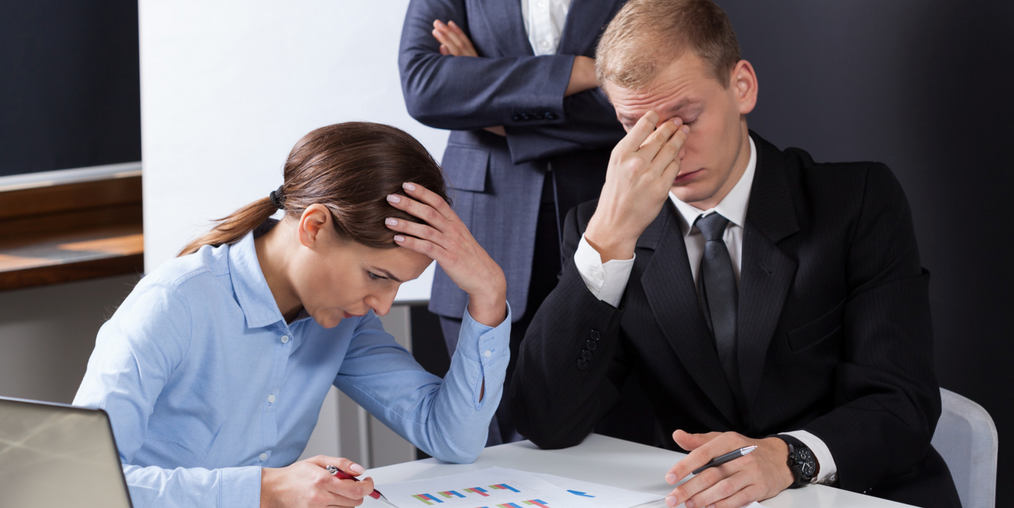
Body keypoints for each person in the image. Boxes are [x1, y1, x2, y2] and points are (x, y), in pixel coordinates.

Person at [509, 1, 961, 507]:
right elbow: (546, 421)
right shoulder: (601, 230)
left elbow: (902, 403)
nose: (668, 149)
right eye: (637, 127)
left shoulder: (857, 202)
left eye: (685, 118)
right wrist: (608, 241)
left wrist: (789, 457)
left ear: (741, 86)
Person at [73, 122, 511, 508]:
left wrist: (488, 294)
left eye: (398, 284)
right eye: (378, 275)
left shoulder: (346, 322)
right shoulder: (174, 303)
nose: (383, 304)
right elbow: (83, 484)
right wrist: (266, 491)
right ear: (314, 227)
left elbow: (452, 438)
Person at [398, 0, 650, 446]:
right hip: (484, 223)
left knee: (605, 433)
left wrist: (493, 100)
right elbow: (425, 86)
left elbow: (646, 94)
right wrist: (584, 70)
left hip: (606, 213)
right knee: (482, 436)